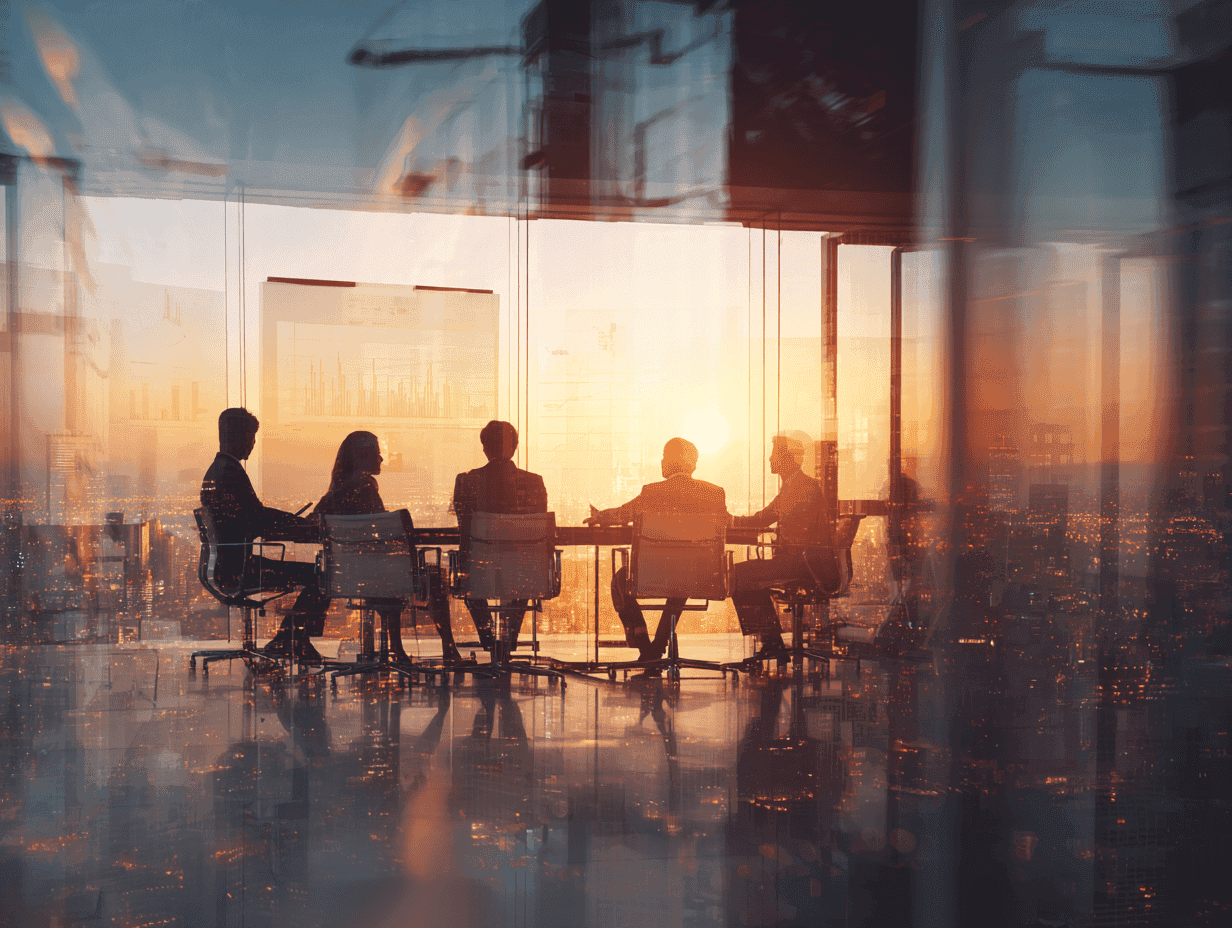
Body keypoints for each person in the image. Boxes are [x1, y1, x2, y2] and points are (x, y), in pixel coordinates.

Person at [312, 430, 461, 662]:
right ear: (362, 457)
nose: (382, 459)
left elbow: (314, 521)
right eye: (377, 454)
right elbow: (381, 536)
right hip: (379, 574)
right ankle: (448, 648)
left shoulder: (335, 493)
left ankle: (398, 648)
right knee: (435, 576)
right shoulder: (366, 485)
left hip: (347, 576)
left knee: (389, 574)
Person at [585, 437, 728, 662]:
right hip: (703, 576)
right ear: (692, 464)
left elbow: (623, 515)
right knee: (682, 577)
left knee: (622, 580)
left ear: (671, 460)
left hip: (654, 576)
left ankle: (646, 649)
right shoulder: (714, 493)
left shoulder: (652, 493)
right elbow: (729, 523)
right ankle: (658, 645)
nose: (661, 461)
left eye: (663, 456)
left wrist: (599, 517)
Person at [200, 407, 323, 661]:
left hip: (227, 565)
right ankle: (292, 639)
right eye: (251, 437)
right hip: (241, 568)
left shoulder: (216, 470)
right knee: (320, 575)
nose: (253, 444)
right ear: (243, 436)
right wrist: (301, 527)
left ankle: (289, 638)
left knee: (315, 573)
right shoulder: (231, 473)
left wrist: (292, 524)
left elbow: (252, 518)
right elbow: (258, 518)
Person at [730, 434, 838, 653]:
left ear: (788, 459)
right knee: (741, 575)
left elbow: (768, 519)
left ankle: (771, 641)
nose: (769, 459)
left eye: (774, 454)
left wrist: (731, 522)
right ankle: (770, 640)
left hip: (804, 564)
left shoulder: (802, 487)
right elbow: (766, 517)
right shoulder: (795, 486)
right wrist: (732, 521)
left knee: (737, 575)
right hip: (802, 560)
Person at [451, 420, 548, 654]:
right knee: (523, 568)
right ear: (514, 447)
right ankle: (506, 642)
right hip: (525, 574)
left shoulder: (466, 481)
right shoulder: (534, 482)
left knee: (468, 573)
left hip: (479, 573)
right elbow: (536, 532)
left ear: (484, 448)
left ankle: (489, 640)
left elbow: (465, 529)